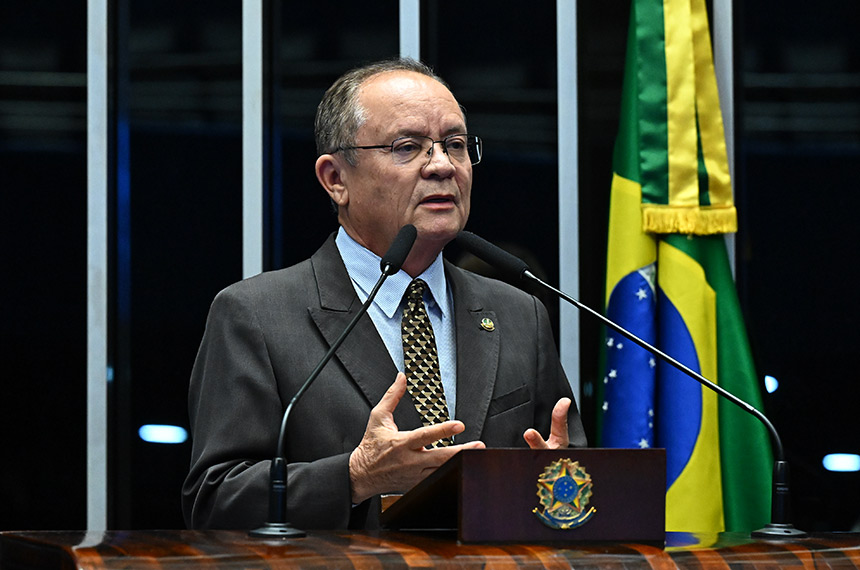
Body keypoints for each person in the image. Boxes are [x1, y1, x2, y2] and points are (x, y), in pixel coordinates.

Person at [182, 58, 587, 531]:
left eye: (455, 145)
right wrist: (354, 477)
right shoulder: (256, 315)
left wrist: (557, 485)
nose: (442, 166)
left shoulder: (519, 313)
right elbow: (214, 500)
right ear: (336, 179)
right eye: (407, 147)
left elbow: (576, 479)